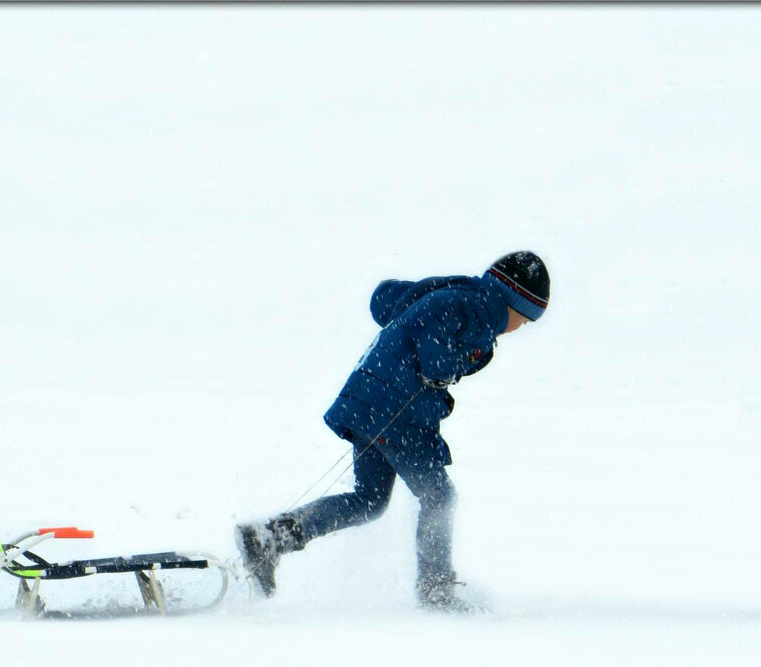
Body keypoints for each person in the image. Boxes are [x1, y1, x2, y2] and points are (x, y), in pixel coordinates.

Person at [235, 251, 550, 611]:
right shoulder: (475, 307)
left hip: (371, 404)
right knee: (439, 498)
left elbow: (394, 305)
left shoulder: (461, 296)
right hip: (397, 416)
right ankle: (437, 590)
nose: (520, 328)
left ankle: (270, 538)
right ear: (512, 299)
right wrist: (440, 370)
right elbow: (431, 333)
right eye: (524, 320)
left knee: (369, 500)